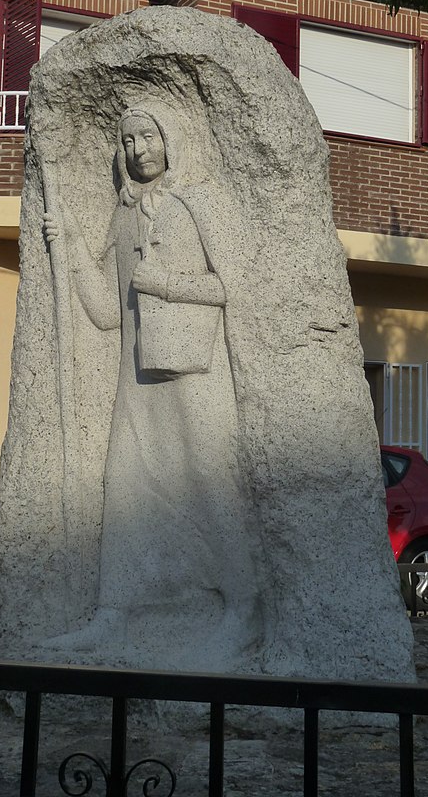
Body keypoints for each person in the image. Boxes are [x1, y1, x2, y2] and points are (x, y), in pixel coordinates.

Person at [44, 101, 260, 665]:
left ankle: (243, 608)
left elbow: (232, 285)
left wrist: (162, 282)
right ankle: (111, 615)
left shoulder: (199, 202)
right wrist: (67, 251)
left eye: (147, 135)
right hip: (137, 381)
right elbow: (108, 313)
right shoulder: (121, 216)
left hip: (197, 377)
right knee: (125, 486)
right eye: (127, 140)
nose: (137, 149)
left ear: (172, 137)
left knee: (213, 487)